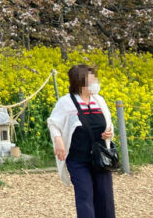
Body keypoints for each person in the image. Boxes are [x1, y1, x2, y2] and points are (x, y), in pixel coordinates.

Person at [47, 64, 116, 218]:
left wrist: (109, 132)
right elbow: (53, 123)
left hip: (100, 157)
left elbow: (108, 122)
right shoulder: (66, 102)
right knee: (85, 196)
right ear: (80, 82)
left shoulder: (99, 100)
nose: (95, 82)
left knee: (105, 197)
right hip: (78, 159)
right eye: (92, 79)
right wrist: (58, 141)